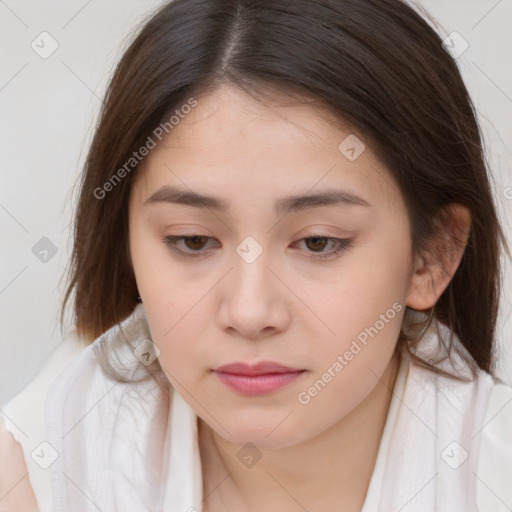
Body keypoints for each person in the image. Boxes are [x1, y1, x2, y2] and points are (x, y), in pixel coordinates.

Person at [1, 0, 511, 510]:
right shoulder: (36, 475)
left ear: (432, 257)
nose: (249, 312)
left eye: (318, 242)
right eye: (193, 241)